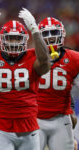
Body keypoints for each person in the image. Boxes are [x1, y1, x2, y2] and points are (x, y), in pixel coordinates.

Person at [0, 4, 50, 150]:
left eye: (17, 38)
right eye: (10, 38)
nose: (13, 42)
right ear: (1, 39)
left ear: (25, 39)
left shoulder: (33, 56)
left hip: (29, 128)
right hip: (0, 128)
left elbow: (45, 62)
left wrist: (35, 30)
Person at [37, 17, 79, 150]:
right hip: (34, 118)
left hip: (61, 117)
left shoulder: (73, 58)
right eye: (45, 34)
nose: (50, 38)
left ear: (62, 34)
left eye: (54, 33)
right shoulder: (30, 57)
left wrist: (71, 109)